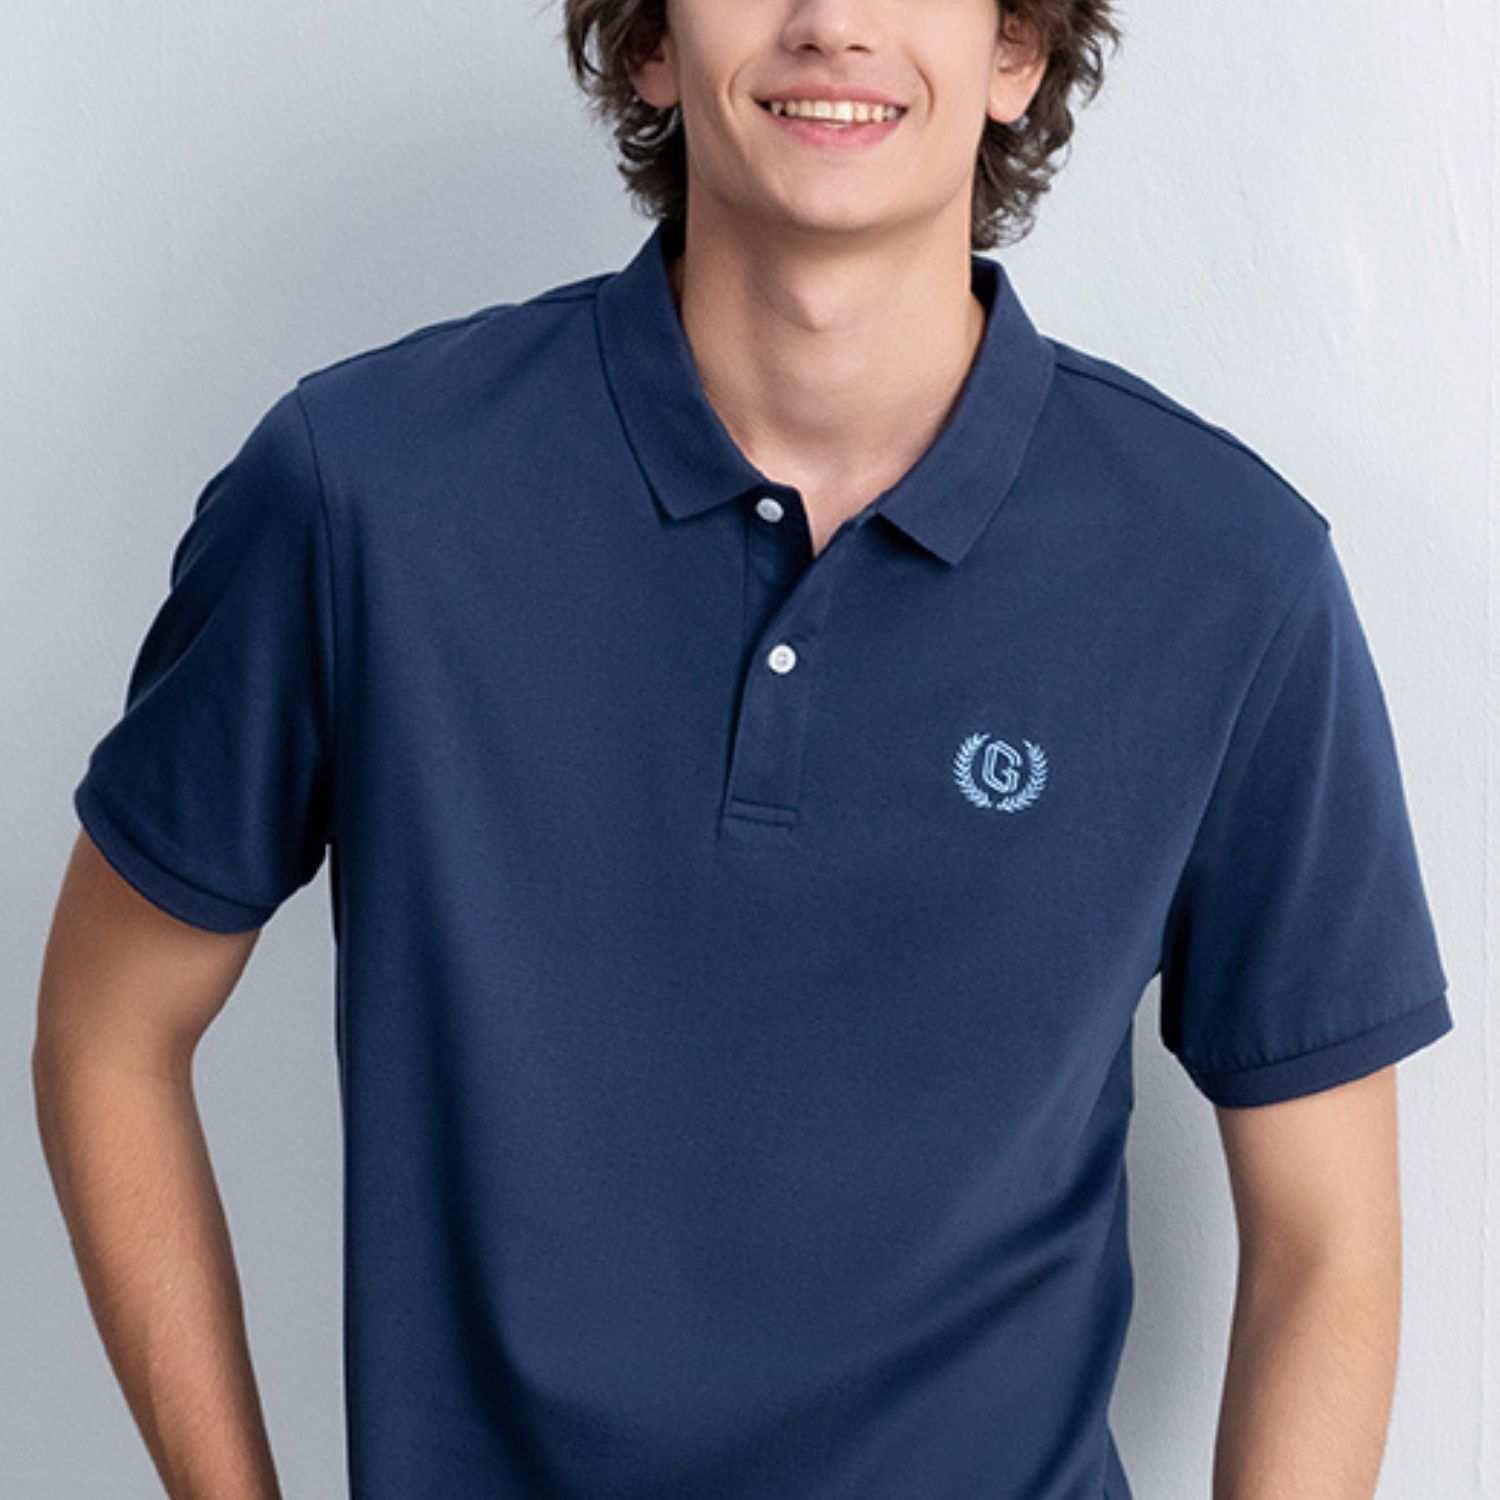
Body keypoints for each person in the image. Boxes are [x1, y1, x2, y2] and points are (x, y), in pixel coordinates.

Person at [35, 2, 1454, 1497]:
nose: (833, 22)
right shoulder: (365, 496)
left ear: (1018, 51)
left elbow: (1325, 1244)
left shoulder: (1227, 574)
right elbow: (108, 1033)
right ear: (650, 42)